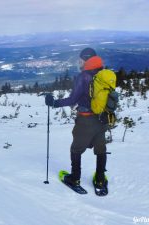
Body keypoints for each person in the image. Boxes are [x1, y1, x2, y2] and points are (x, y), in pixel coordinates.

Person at [45, 47, 107, 189]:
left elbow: (73, 99)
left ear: (86, 60)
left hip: (86, 120)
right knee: (100, 149)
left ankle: (75, 179)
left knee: (76, 149)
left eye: (80, 60)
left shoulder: (84, 76)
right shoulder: (104, 73)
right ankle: (100, 180)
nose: (79, 63)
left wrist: (54, 103)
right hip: (102, 119)